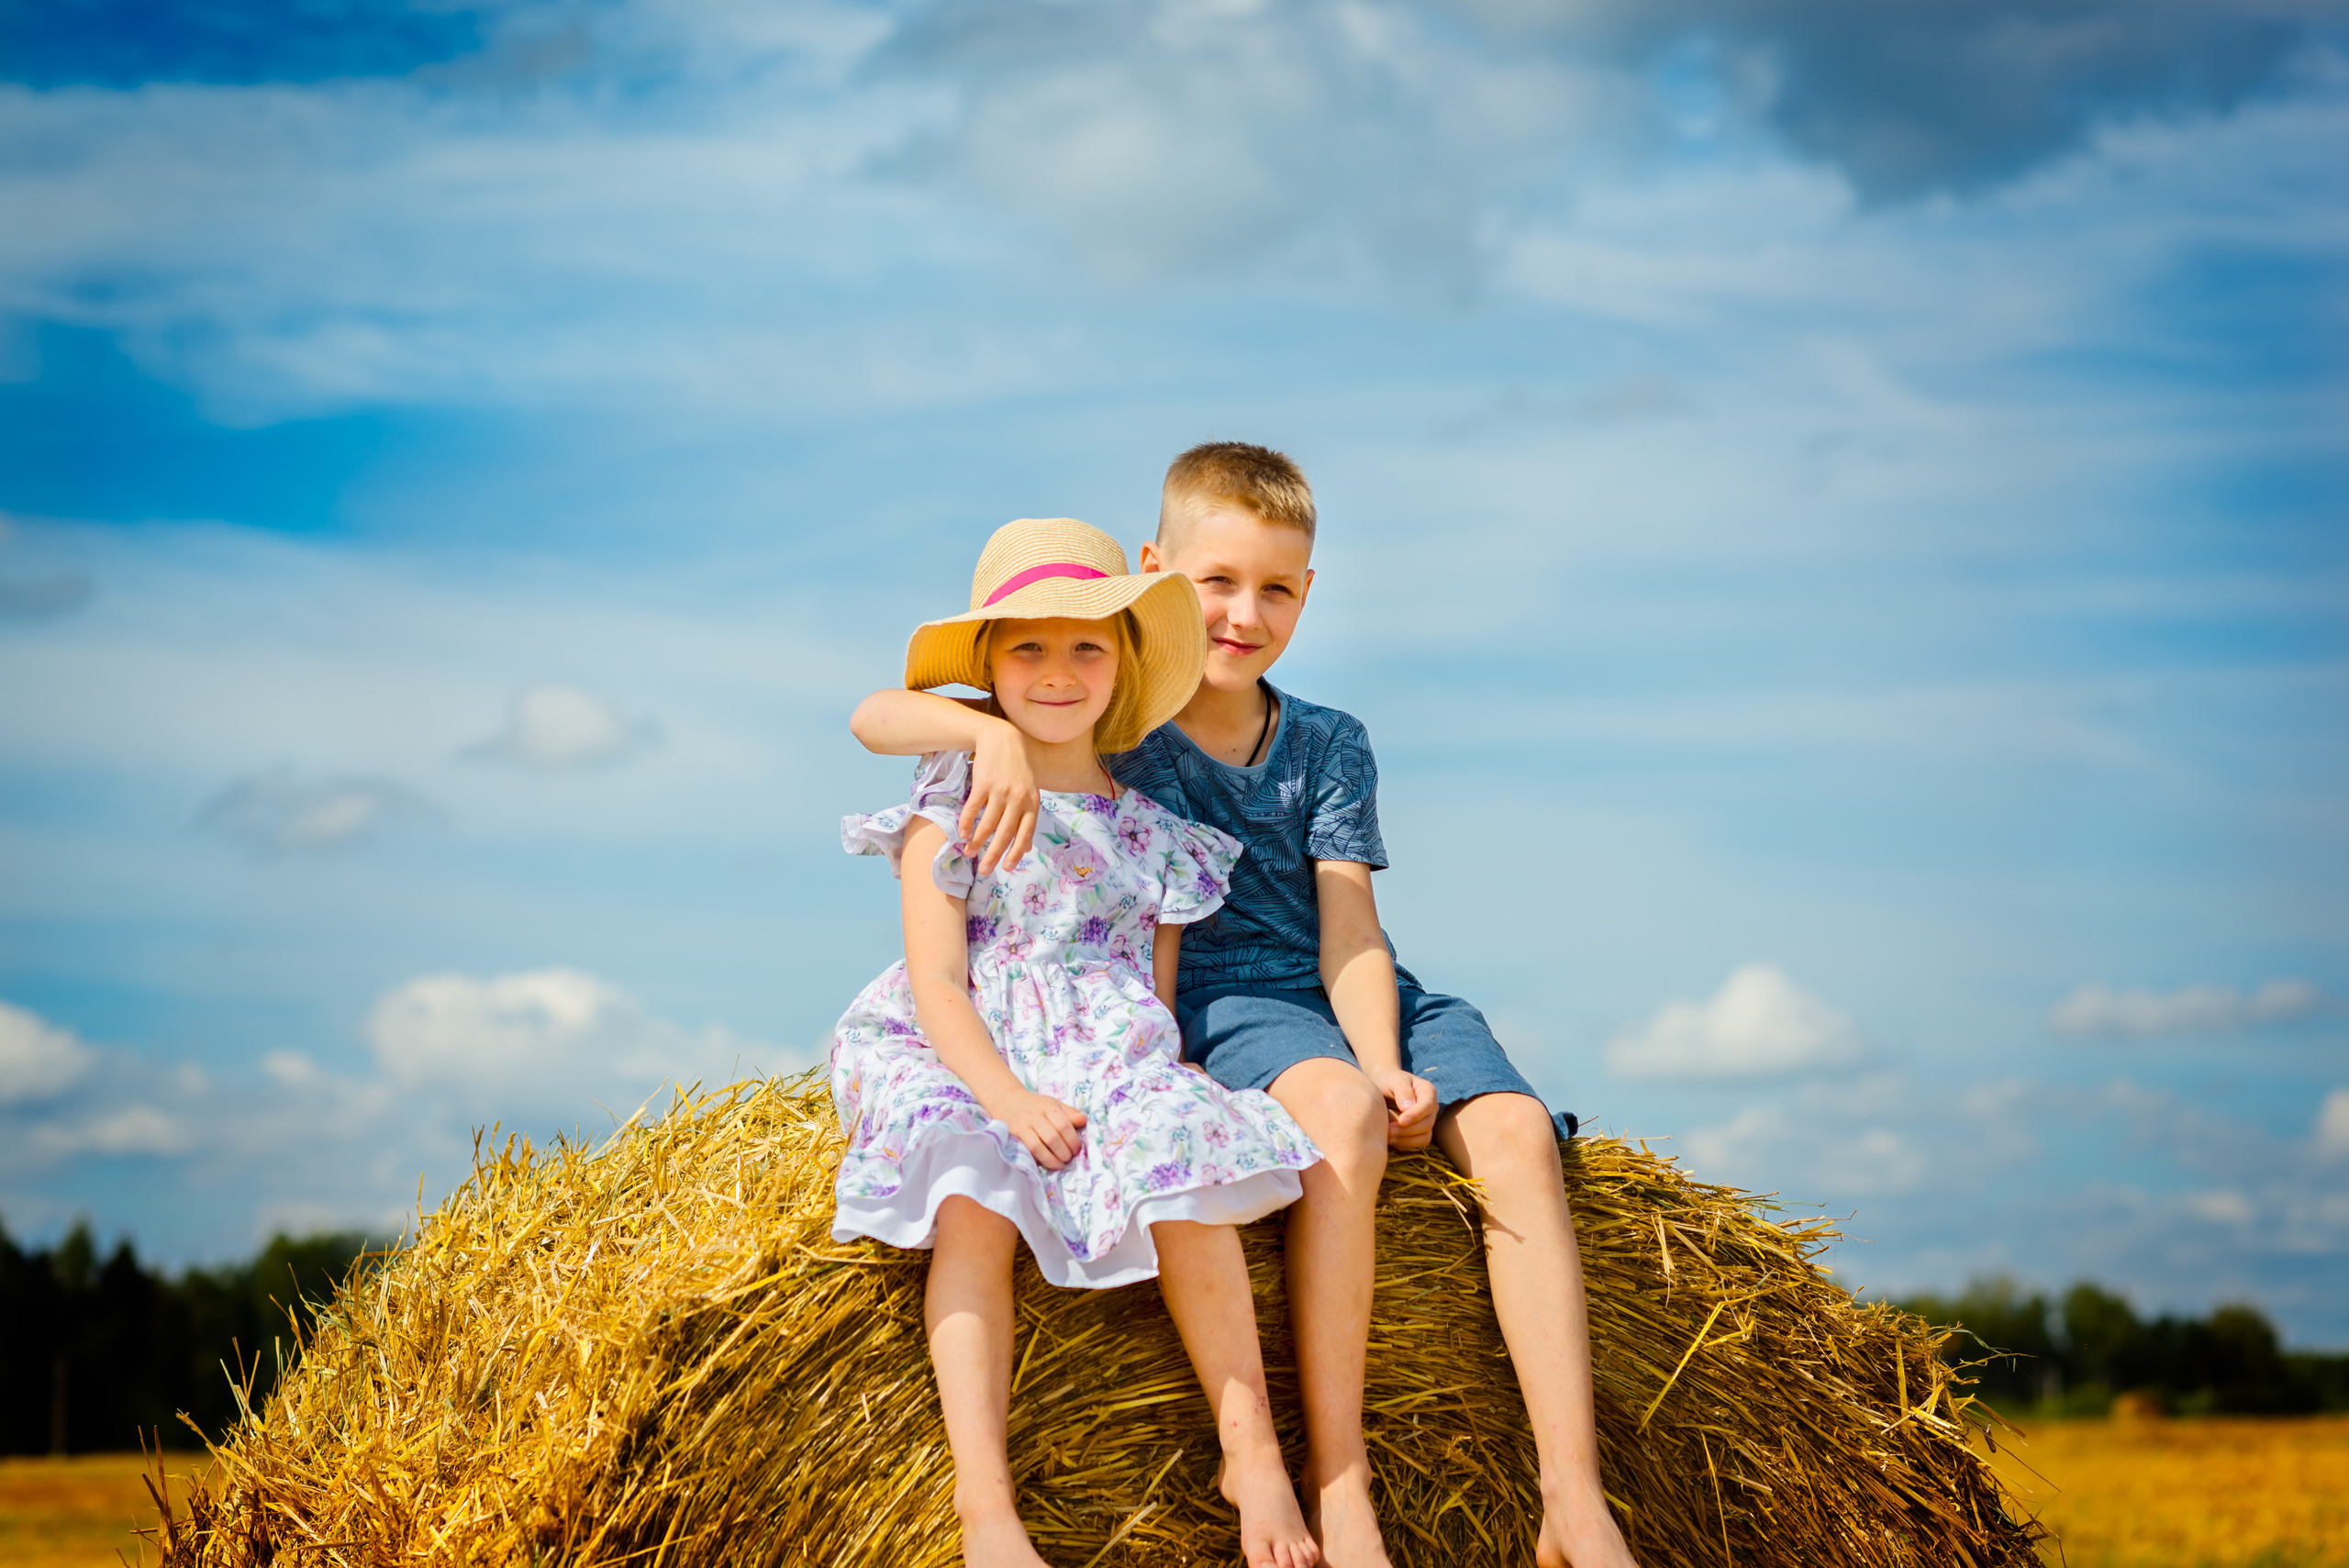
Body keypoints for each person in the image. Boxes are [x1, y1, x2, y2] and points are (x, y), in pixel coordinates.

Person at [851, 449, 1642, 1568]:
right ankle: (1338, 1475)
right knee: (1339, 1118)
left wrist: (1384, 1054)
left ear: (1308, 595)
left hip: (1350, 982)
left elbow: (1351, 926)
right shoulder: (1110, 716)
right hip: (1230, 1002)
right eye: (1217, 582)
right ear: (1158, 575)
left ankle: (1574, 1498)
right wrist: (981, 733)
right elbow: (888, 711)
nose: (1244, 612)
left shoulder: (1325, 742)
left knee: (1515, 1130)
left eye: (1276, 589)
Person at [830, 516, 1326, 1568]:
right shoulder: (953, 791)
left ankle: (1253, 1455)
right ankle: (983, 1503)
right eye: (1027, 647)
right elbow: (937, 981)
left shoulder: (1151, 830)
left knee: (1179, 1150)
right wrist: (1007, 1097)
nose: (1057, 671)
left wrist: (1152, 1089)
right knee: (973, 1191)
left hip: (1103, 1044)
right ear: (989, 665)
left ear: (1124, 663)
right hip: (964, 1039)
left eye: (1086, 646)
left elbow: (1149, 996)